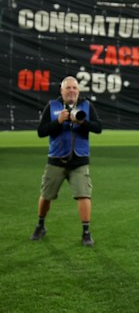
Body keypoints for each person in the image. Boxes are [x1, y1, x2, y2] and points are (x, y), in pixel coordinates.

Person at [30, 76, 102, 246]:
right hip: (56, 159)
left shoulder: (86, 106)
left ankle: (86, 232)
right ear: (61, 91)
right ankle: (40, 225)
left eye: (74, 88)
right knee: (46, 195)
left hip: (79, 159)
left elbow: (98, 128)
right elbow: (41, 131)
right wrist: (58, 121)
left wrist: (82, 122)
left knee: (84, 194)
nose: (71, 91)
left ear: (78, 91)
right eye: (68, 88)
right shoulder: (52, 106)